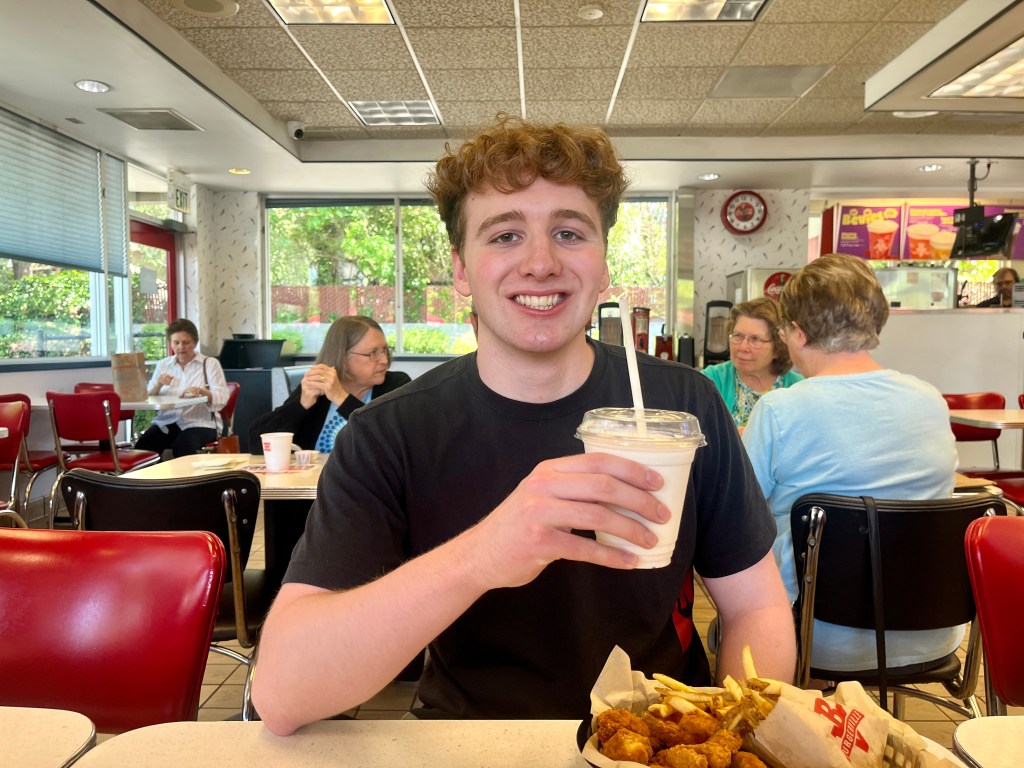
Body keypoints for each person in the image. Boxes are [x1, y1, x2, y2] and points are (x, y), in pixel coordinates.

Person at [252, 114, 795, 735]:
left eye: (569, 233)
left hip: (657, 734)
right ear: (461, 269)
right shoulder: (387, 432)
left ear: (603, 264)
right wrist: (483, 555)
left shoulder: (684, 403)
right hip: (464, 739)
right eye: (505, 235)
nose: (540, 263)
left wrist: (736, 736)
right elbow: (283, 694)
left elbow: (755, 606)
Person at [742, 253, 961, 673]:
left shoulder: (780, 410)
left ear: (798, 334)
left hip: (814, 637)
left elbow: (739, 520)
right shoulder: (930, 400)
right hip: (932, 631)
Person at [248, 316, 410, 454]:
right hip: (316, 481)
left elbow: (392, 441)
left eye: (385, 350)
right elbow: (257, 444)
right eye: (373, 353)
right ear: (343, 357)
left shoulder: (397, 386)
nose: (384, 360)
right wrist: (300, 405)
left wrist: (342, 398)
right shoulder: (319, 386)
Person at [701, 298, 802, 431]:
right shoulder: (709, 380)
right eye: (738, 336)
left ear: (778, 347)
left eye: (755, 339)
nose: (743, 347)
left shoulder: (798, 388)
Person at [135, 318, 230, 457]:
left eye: (186, 342)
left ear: (195, 343)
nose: (181, 347)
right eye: (176, 343)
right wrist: (158, 385)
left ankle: (185, 472)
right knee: (143, 448)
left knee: (184, 446)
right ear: (170, 343)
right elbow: (147, 397)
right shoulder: (163, 365)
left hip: (201, 423)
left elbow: (222, 397)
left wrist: (202, 392)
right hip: (167, 422)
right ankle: (158, 472)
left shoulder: (209, 364)